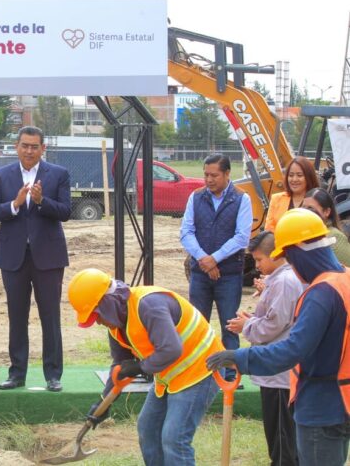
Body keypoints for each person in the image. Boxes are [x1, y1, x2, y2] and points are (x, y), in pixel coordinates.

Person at [208, 208, 350, 466]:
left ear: (299, 251)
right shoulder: (345, 278)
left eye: (291, 260)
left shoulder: (322, 293)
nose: (293, 269)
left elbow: (291, 350)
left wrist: (239, 356)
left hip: (321, 407)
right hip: (341, 402)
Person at [68, 268, 223, 466]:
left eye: (96, 315)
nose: (97, 321)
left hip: (201, 369)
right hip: (170, 376)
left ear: (107, 303)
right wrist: (103, 402)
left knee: (173, 438)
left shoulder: (149, 305)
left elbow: (171, 349)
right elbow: (119, 367)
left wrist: (140, 367)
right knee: (148, 429)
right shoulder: (116, 324)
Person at [0, 125, 71, 392]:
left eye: (35, 146)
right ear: (17, 147)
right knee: (17, 316)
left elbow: (66, 212)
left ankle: (53, 375)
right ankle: (17, 373)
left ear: (43, 148)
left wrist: (42, 200)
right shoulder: (2, 175)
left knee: (50, 316)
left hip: (48, 257)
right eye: (25, 145)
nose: (29, 151)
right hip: (14, 258)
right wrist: (16, 204)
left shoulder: (58, 174)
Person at [225, 231, 302, 466]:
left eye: (259, 260)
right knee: (282, 439)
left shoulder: (285, 281)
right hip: (277, 371)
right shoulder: (281, 279)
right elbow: (274, 319)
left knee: (282, 442)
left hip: (279, 374)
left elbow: (274, 325)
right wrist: (252, 320)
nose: (256, 266)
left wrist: (246, 325)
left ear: (276, 254)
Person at [180, 153, 252, 382]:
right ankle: (199, 372)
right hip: (200, 274)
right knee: (198, 323)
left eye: (214, 175)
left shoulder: (242, 199)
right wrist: (204, 259)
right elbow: (186, 232)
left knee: (229, 324)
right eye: (206, 175)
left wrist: (215, 258)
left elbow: (242, 237)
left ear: (227, 174)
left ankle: (230, 374)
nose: (208, 180)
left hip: (229, 274)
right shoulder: (196, 197)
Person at [265, 156, 319, 231]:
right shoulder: (276, 199)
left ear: (309, 177)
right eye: (291, 175)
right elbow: (269, 230)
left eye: (299, 175)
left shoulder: (316, 200)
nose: (294, 179)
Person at [302, 187, 350, 266]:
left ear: (327, 211)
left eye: (310, 208)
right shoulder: (304, 233)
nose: (306, 212)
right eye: (303, 207)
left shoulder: (335, 237)